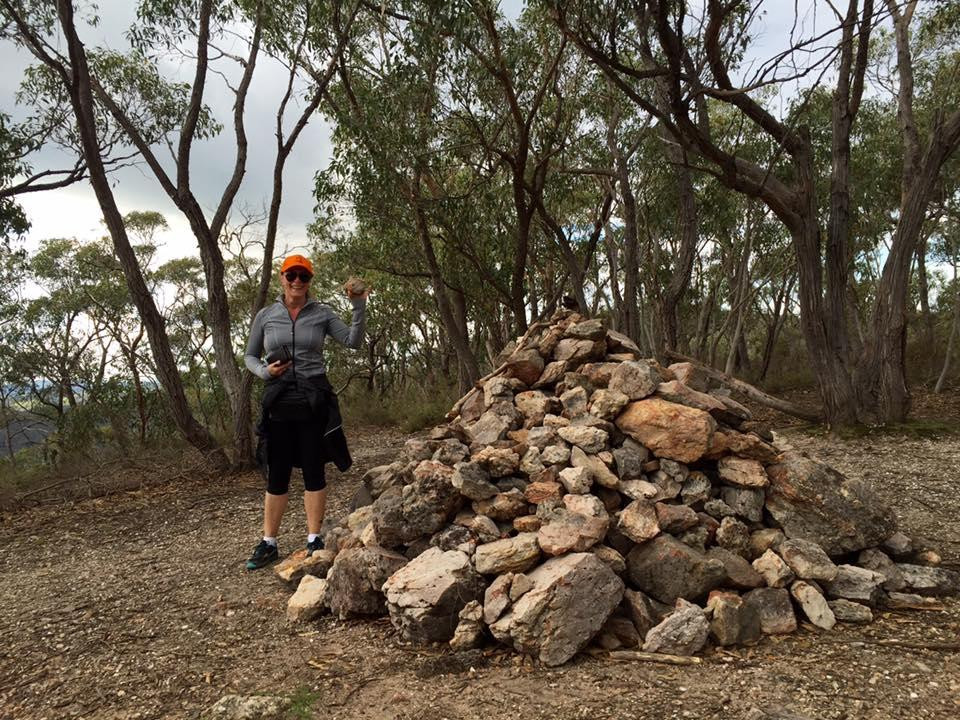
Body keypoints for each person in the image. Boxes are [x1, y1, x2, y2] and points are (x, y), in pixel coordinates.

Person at [242, 254, 368, 570]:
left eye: (303, 276)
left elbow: (353, 342)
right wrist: (265, 372)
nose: (297, 281)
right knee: (278, 471)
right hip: (279, 399)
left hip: (313, 398)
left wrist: (359, 305)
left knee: (314, 468)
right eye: (291, 275)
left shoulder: (322, 313)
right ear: (281, 277)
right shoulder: (266, 315)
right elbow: (249, 356)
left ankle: (314, 538)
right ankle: (269, 542)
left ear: (309, 281)